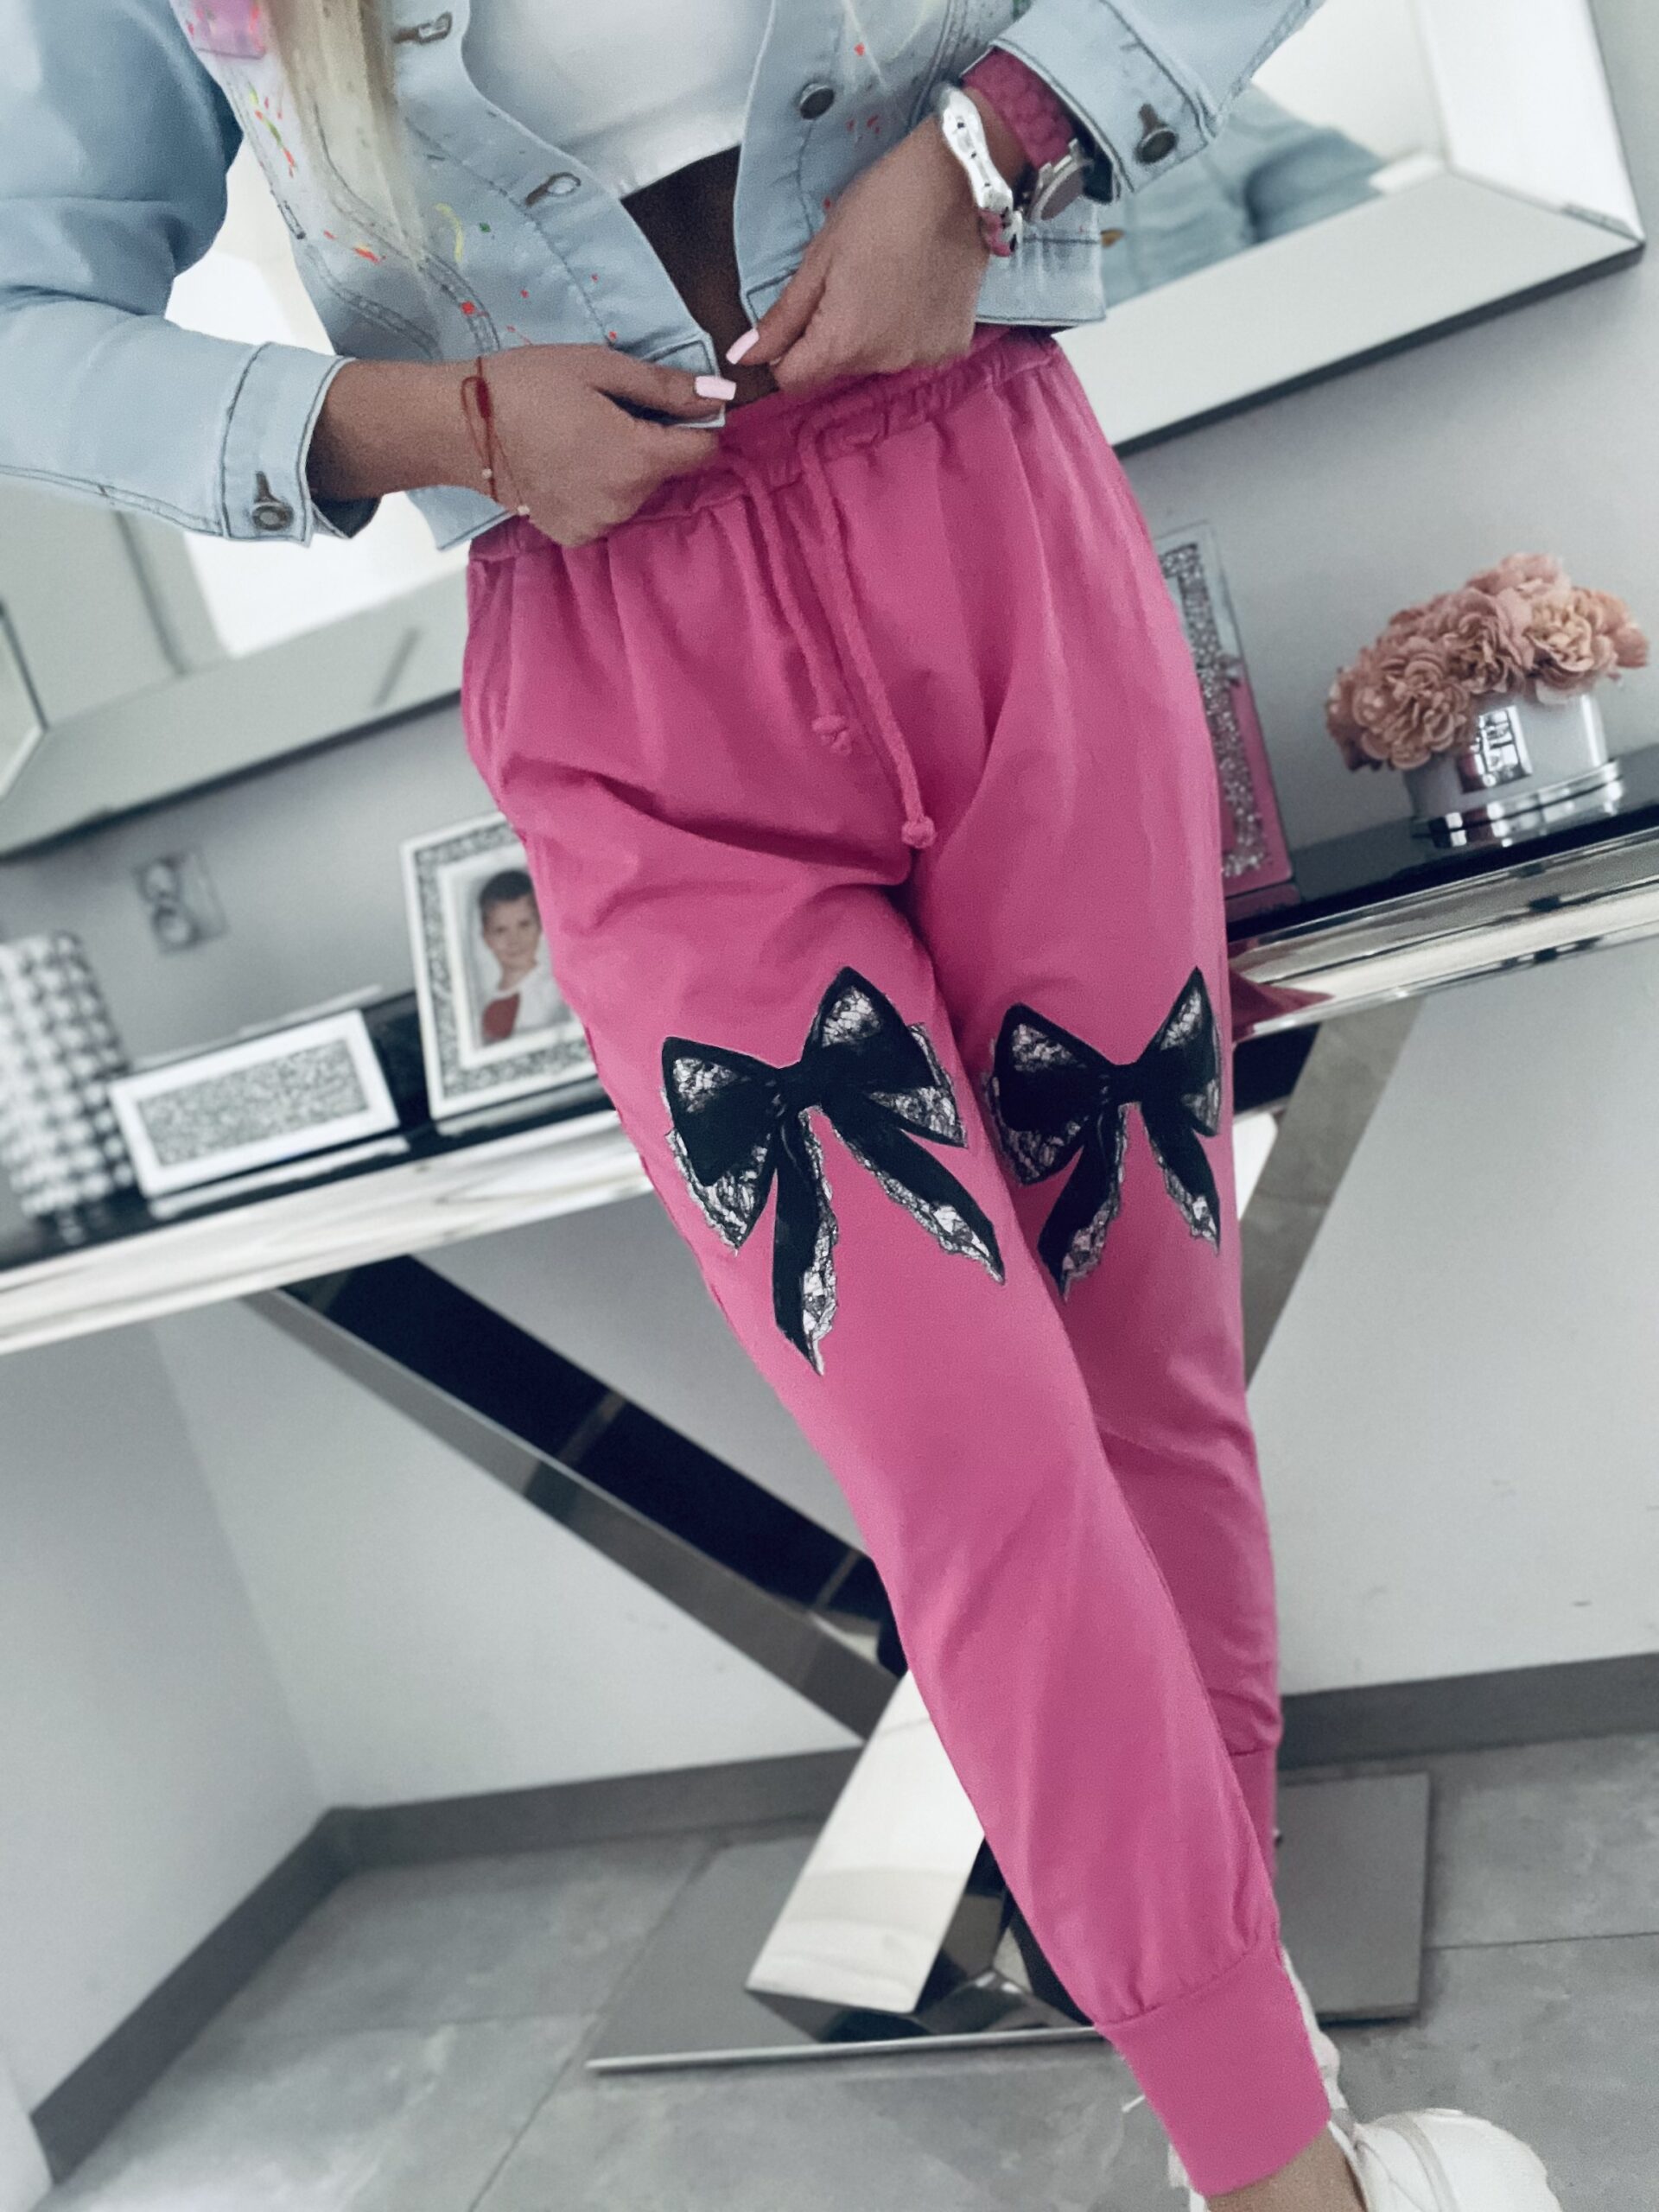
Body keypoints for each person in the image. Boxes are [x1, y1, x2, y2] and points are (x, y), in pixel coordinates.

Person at [0, 6, 1563, 2207]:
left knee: (1147, 1380)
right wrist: (423, 422)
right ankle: (1283, 2172)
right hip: (619, 666)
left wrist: (990, 146)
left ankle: (1256, 2110)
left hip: (992, 521)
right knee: (961, 1448)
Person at [474, 866, 561, 1045]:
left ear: (540, 925)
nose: (514, 940)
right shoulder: (479, 1005)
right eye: (500, 930)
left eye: (524, 925)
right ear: (486, 938)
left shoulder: (556, 990)